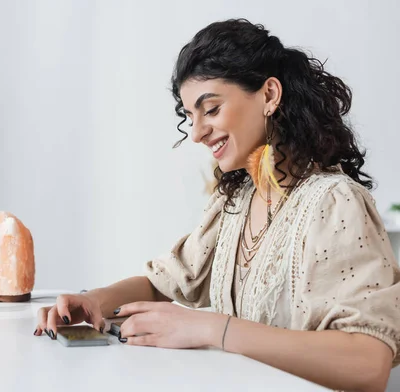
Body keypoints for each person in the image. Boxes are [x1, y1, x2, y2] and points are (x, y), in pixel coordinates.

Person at [34, 19, 400, 392]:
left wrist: (212, 329)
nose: (196, 133)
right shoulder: (236, 202)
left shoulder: (334, 202)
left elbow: (368, 364)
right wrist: (92, 301)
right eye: (190, 117)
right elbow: (167, 283)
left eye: (210, 109)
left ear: (270, 95)